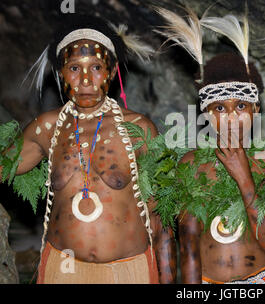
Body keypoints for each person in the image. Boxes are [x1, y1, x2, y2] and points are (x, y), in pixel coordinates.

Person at [3, 15, 176, 283]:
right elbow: (4, 166)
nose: (85, 79)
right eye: (74, 68)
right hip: (63, 268)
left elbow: (161, 218)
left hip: (128, 271)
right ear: (60, 72)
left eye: (96, 67)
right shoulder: (46, 128)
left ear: (112, 69)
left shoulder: (138, 130)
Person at [178, 53, 265, 284]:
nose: (232, 117)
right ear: (206, 114)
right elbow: (188, 244)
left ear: (255, 110)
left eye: (241, 106)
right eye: (220, 108)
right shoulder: (191, 165)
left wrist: (244, 177)